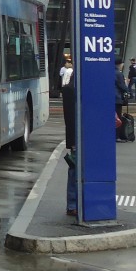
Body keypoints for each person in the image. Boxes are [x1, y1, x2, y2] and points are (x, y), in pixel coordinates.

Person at [58, 55, 77, 215]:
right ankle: (72, 204)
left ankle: (74, 204)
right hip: (77, 137)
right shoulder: (71, 89)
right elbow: (70, 117)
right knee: (75, 169)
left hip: (81, 136)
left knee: (76, 169)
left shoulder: (72, 87)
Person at [114, 59, 130, 140]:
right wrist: (127, 90)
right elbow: (122, 86)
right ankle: (116, 136)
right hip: (116, 98)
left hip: (107, 98)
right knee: (117, 118)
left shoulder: (107, 71)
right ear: (120, 64)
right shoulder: (118, 74)